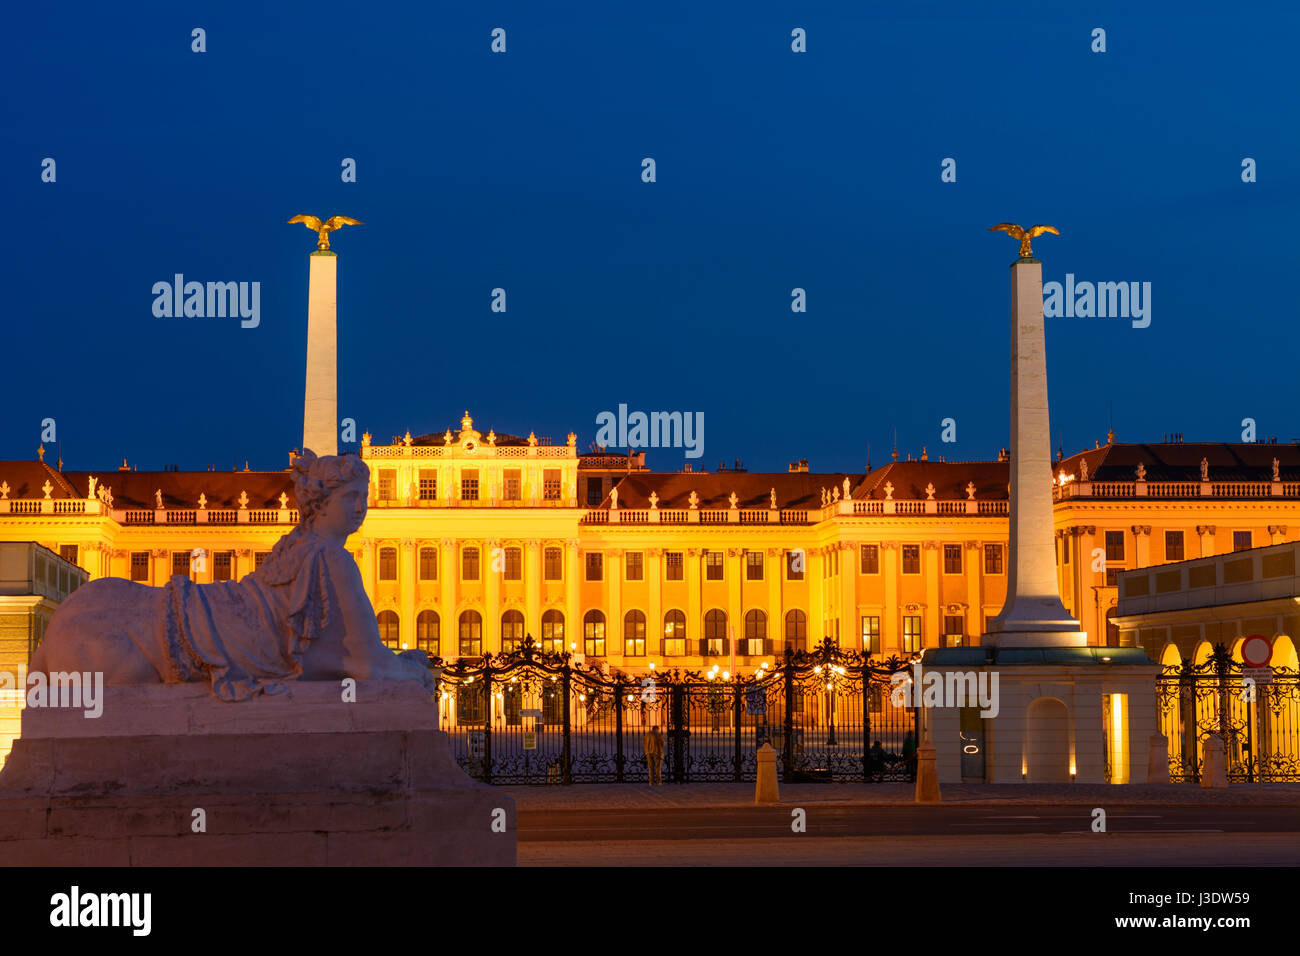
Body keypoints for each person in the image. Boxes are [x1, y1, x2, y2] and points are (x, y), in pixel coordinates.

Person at [32, 450, 435, 701]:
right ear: (322, 503)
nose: (362, 507)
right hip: (229, 633)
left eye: (365, 497)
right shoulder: (331, 559)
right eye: (351, 497)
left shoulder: (296, 547)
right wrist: (416, 667)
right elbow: (374, 668)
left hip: (213, 611)